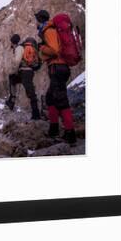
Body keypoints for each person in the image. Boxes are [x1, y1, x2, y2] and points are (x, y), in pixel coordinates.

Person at [35, 9, 77, 145]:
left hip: (58, 68)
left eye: (37, 19)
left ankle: (70, 135)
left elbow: (54, 50)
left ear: (40, 19)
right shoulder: (50, 30)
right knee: (50, 98)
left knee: (61, 100)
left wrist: (41, 49)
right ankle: (54, 129)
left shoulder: (49, 30)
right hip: (59, 68)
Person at [5, 34, 41, 120]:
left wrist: (13, 71)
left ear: (12, 42)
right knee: (29, 89)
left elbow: (17, 61)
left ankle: (35, 113)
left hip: (24, 71)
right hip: (29, 71)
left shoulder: (19, 48)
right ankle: (35, 111)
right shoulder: (24, 47)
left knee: (29, 91)